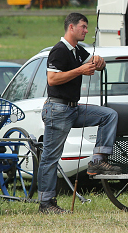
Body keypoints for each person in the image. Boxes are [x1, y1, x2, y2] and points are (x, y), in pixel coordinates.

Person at [38, 13, 121, 214]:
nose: (86, 30)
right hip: (57, 109)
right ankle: (46, 203)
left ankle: (98, 160)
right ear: (71, 27)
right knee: (51, 157)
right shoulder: (59, 50)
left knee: (108, 115)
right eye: (83, 27)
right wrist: (80, 71)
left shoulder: (78, 50)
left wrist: (99, 63)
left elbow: (92, 63)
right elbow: (53, 79)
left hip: (73, 108)